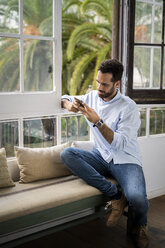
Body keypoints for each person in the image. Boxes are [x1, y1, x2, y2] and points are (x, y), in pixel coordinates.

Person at [60, 59, 149, 248]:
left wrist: (98, 122)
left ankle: (141, 226)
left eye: (104, 84)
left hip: (125, 159)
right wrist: (68, 104)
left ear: (116, 84)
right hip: (100, 156)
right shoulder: (93, 96)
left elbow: (119, 143)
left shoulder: (129, 107)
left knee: (137, 199)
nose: (99, 87)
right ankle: (116, 196)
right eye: (98, 82)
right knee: (67, 154)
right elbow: (66, 97)